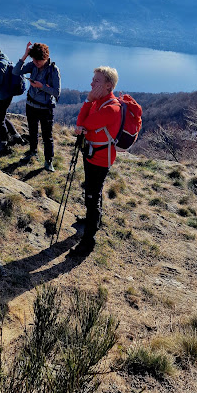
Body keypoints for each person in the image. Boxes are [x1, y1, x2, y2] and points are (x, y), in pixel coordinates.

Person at [68, 66, 122, 258]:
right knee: (91, 191)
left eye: (96, 81)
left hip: (100, 159)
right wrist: (83, 123)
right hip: (92, 154)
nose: (91, 84)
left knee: (92, 195)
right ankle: (93, 221)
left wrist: (88, 100)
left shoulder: (110, 108)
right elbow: (82, 124)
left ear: (108, 86)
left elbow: (82, 123)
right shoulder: (100, 102)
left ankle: (88, 241)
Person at [13, 42, 61, 172]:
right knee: (32, 131)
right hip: (31, 105)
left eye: (39, 60)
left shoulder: (53, 70)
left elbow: (57, 92)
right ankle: (32, 152)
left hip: (45, 108)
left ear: (46, 58)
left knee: (47, 136)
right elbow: (15, 71)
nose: (36, 63)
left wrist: (42, 86)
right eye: (34, 60)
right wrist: (25, 55)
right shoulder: (32, 65)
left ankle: (48, 161)